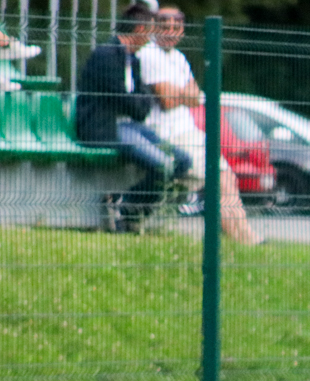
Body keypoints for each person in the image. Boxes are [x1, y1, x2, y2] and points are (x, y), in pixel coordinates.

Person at [137, 5, 261, 245]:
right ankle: (242, 238)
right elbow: (167, 102)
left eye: (176, 27)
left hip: (189, 133)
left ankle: (241, 235)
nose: (171, 32)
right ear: (154, 28)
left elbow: (195, 98)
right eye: (165, 26)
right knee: (219, 180)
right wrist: (182, 94)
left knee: (227, 179)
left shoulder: (178, 58)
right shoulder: (149, 55)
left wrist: (179, 94)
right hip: (167, 135)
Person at [75, 3, 191, 231]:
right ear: (139, 29)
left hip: (130, 126)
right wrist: (136, 102)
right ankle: (127, 213)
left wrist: (136, 102)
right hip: (103, 128)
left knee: (182, 161)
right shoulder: (106, 56)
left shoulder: (133, 60)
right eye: (150, 32)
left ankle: (127, 206)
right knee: (162, 166)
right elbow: (125, 100)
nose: (151, 38)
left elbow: (140, 105)